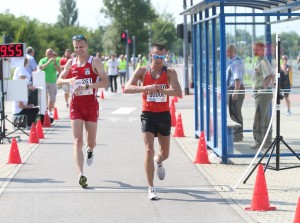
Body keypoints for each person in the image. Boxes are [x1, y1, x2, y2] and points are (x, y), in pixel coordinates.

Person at [124, 43, 182, 200]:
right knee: (149, 150)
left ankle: (159, 161)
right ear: (151, 55)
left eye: (162, 57)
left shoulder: (169, 72)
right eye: (156, 56)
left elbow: (178, 92)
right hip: (148, 115)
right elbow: (127, 88)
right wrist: (145, 88)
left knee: (165, 154)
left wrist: (162, 90)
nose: (159, 60)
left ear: (165, 56)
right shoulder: (142, 71)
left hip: (163, 115)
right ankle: (151, 187)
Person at [56, 34, 108, 188]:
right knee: (78, 141)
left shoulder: (95, 61)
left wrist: (87, 86)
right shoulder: (71, 63)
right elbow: (59, 80)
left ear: (87, 46)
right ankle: (81, 174)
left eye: (81, 47)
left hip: (91, 105)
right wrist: (68, 80)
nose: (79, 50)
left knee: (90, 142)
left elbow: (105, 82)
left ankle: (90, 150)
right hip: (76, 105)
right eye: (76, 47)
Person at [251, 42, 275, 150]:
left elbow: (270, 76)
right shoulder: (259, 61)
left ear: (262, 50)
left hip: (263, 94)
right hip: (262, 93)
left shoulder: (263, 61)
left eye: (257, 49)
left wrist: (263, 89)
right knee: (265, 118)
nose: (255, 51)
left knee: (258, 118)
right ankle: (267, 142)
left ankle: (259, 142)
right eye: (254, 49)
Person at [12, 58, 39, 129]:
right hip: (19, 111)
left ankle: (30, 124)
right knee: (35, 110)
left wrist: (29, 105)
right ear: (26, 63)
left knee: (34, 106)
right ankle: (29, 125)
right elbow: (20, 105)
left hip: (20, 108)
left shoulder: (20, 68)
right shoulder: (21, 69)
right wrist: (29, 106)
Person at [226, 44, 245, 142]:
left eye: (228, 51)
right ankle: (236, 134)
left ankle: (237, 135)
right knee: (233, 112)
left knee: (236, 112)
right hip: (232, 89)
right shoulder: (231, 62)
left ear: (233, 51)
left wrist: (235, 92)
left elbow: (237, 79)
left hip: (235, 89)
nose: (227, 53)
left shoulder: (236, 63)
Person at [38, 48, 61, 117]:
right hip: (44, 81)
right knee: (44, 97)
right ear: (46, 54)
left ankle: (50, 111)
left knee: (52, 97)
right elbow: (41, 68)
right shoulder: (42, 60)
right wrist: (48, 62)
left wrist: (54, 63)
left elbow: (59, 70)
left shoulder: (55, 60)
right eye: (48, 53)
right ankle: (44, 111)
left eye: (51, 53)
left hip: (53, 81)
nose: (49, 54)